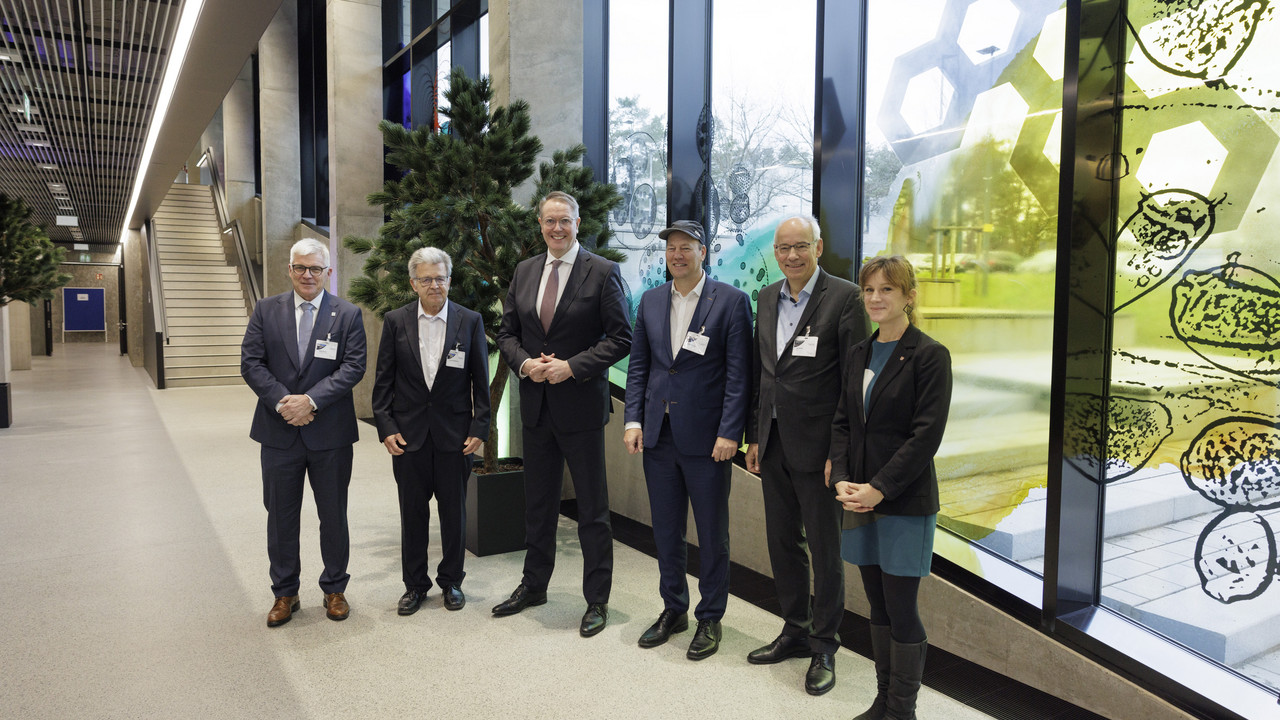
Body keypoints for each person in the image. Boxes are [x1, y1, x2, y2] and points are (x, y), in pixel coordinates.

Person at [493, 191, 633, 637]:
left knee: (592, 510)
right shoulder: (526, 270)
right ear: (539, 224)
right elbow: (507, 332)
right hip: (536, 407)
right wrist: (525, 364)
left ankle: (597, 600)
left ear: (578, 223)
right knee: (538, 505)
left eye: (565, 221)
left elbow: (621, 339)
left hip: (581, 409)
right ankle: (534, 585)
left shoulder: (603, 272)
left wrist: (572, 367)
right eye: (550, 221)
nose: (557, 229)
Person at [744, 215, 869, 694]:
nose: (791, 256)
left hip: (821, 453)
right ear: (775, 254)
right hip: (772, 443)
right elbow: (765, 374)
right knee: (782, 542)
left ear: (819, 245)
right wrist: (756, 435)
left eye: (800, 246)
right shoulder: (767, 297)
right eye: (783, 249)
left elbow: (851, 383)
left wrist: (840, 453)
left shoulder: (844, 298)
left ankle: (824, 645)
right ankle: (793, 631)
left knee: (824, 548)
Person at [828, 255, 952, 720]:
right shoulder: (860, 351)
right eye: (870, 291)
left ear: (908, 297)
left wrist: (879, 488)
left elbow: (926, 436)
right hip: (856, 497)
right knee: (876, 603)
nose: (876, 299)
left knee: (901, 607)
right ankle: (882, 700)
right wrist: (842, 476)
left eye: (887, 290)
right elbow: (843, 423)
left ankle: (903, 710)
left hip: (902, 500)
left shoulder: (929, 355)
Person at [623, 220, 752, 660]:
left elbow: (739, 375)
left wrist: (730, 432)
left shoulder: (731, 302)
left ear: (703, 251)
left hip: (708, 441)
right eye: (671, 248)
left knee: (713, 534)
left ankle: (710, 617)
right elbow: (640, 366)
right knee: (666, 530)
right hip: (658, 437)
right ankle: (673, 608)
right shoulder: (651, 300)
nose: (677, 255)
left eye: (686, 247)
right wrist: (633, 420)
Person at [241, 238, 367, 627]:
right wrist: (285, 402)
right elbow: (251, 362)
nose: (307, 275)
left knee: (333, 515)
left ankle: (334, 588)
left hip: (329, 434)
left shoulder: (347, 314)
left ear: (328, 272)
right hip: (278, 433)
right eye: (300, 268)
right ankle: (285, 593)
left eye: (315, 268)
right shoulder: (266, 310)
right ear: (290, 269)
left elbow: (353, 366)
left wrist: (309, 401)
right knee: (280, 515)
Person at [372, 247, 490, 616]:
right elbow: (383, 382)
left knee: (454, 514)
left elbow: (480, 381)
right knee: (412, 514)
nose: (434, 284)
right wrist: (386, 426)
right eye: (426, 279)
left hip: (455, 437)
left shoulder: (469, 321)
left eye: (440, 278)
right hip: (409, 438)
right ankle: (415, 586)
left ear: (449, 281)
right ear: (413, 283)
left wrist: (480, 426)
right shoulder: (395, 321)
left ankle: (452, 581)